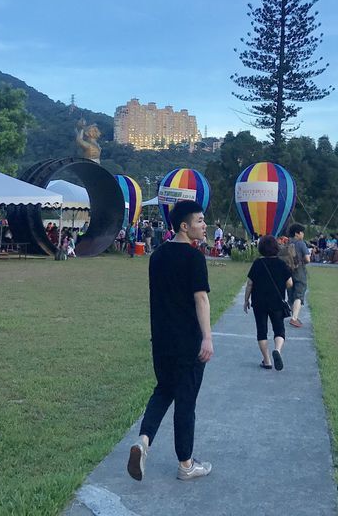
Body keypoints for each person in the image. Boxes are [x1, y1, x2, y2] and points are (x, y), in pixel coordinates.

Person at [127, 201, 213, 482]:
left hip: (161, 339)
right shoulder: (194, 258)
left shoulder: (157, 255)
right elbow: (200, 298)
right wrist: (207, 338)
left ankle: (143, 440)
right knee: (185, 403)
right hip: (188, 341)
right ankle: (186, 465)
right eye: (200, 221)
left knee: (163, 390)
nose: (204, 225)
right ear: (185, 227)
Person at [244, 234, 293, 369]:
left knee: (262, 330)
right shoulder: (281, 264)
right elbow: (290, 283)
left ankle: (267, 361)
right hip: (276, 302)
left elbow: (249, 283)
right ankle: (277, 349)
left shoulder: (257, 263)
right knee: (279, 329)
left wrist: (246, 300)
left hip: (259, 302)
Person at [287, 223, 311, 327]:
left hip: (287, 270)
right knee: (299, 293)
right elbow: (307, 259)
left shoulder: (286, 242)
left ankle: (294, 315)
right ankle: (294, 318)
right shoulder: (301, 244)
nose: (303, 234)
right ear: (297, 233)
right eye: (302, 232)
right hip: (299, 270)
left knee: (291, 293)